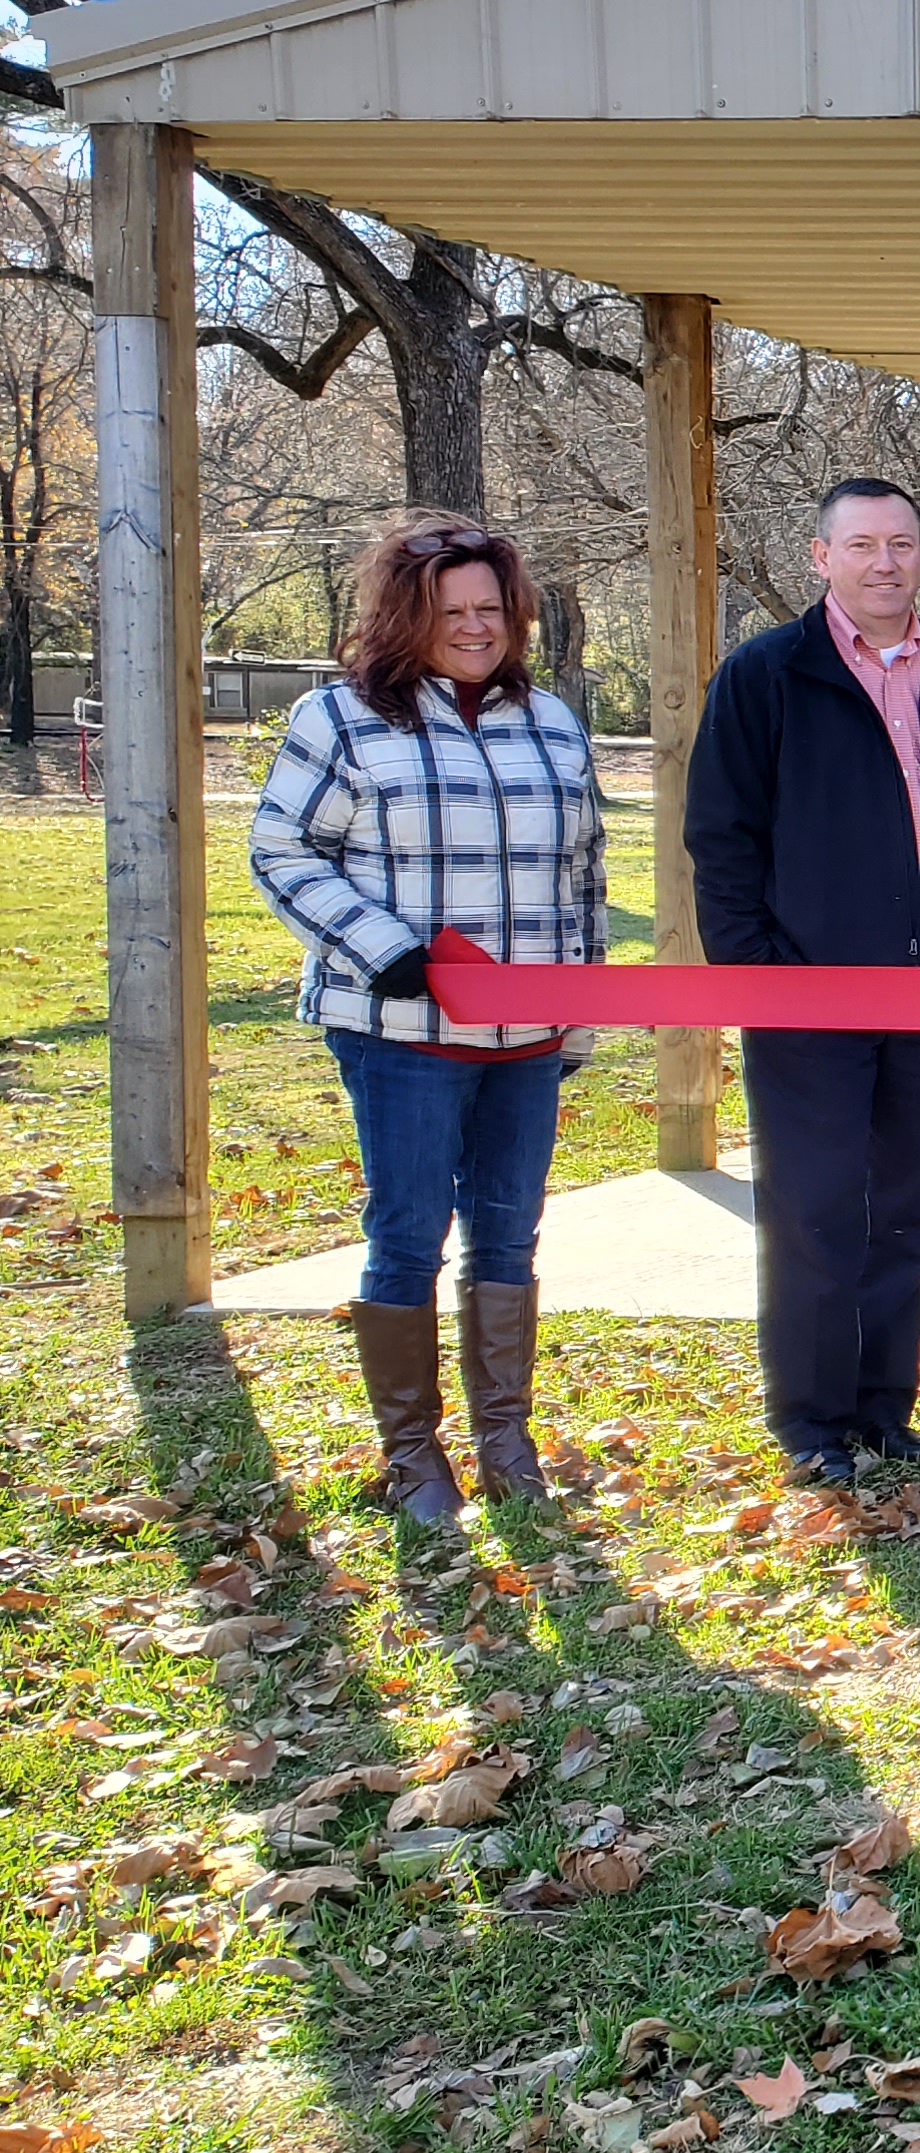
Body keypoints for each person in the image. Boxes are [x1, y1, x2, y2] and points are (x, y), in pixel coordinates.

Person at [250, 514, 605, 1524]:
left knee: (509, 1233)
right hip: (399, 1030)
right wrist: (385, 948)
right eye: (453, 610)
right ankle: (412, 1454)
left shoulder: (554, 722)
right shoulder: (342, 721)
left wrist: (577, 1008)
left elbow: (584, 878)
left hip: (527, 1038)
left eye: (492, 607)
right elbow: (282, 853)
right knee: (408, 1231)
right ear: (407, 615)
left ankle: (505, 1442)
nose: (476, 626)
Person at [687, 476, 920, 1482]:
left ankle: (885, 1408)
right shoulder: (766, 677)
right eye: (864, 544)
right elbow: (722, 837)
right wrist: (755, 973)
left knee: (916, 1205)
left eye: (904, 544)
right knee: (818, 1205)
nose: (886, 562)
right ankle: (812, 1420)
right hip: (809, 996)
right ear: (821, 557)